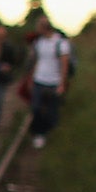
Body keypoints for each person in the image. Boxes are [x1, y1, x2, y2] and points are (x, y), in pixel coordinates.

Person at [28, 13, 72, 147]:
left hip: (53, 81)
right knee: (36, 109)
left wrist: (61, 84)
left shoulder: (60, 43)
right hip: (39, 80)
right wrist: (31, 78)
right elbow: (37, 61)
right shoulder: (39, 43)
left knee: (51, 111)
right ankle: (38, 134)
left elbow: (64, 64)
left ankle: (49, 134)